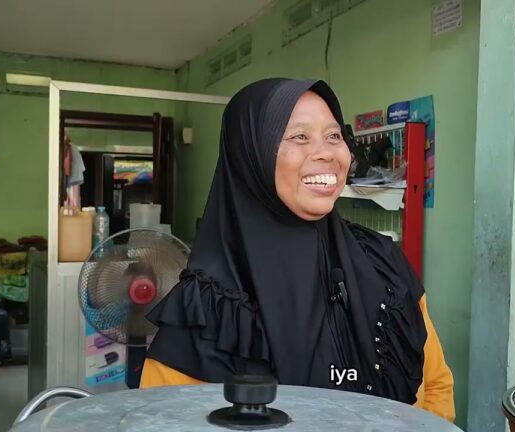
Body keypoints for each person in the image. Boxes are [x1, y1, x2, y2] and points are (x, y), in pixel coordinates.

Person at [139, 78, 455, 421]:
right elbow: (161, 421)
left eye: (334, 136)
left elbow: (436, 385)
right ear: (250, 155)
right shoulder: (206, 308)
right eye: (299, 136)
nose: (327, 152)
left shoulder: (382, 263)